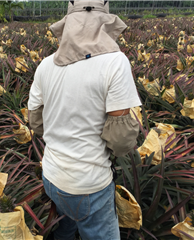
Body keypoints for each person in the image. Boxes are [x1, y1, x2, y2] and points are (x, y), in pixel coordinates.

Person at [27, 0, 142, 239]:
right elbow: (120, 142)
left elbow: (36, 124)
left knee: (65, 227)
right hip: (89, 186)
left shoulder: (45, 65)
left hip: (51, 176)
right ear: (105, 22)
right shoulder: (115, 62)